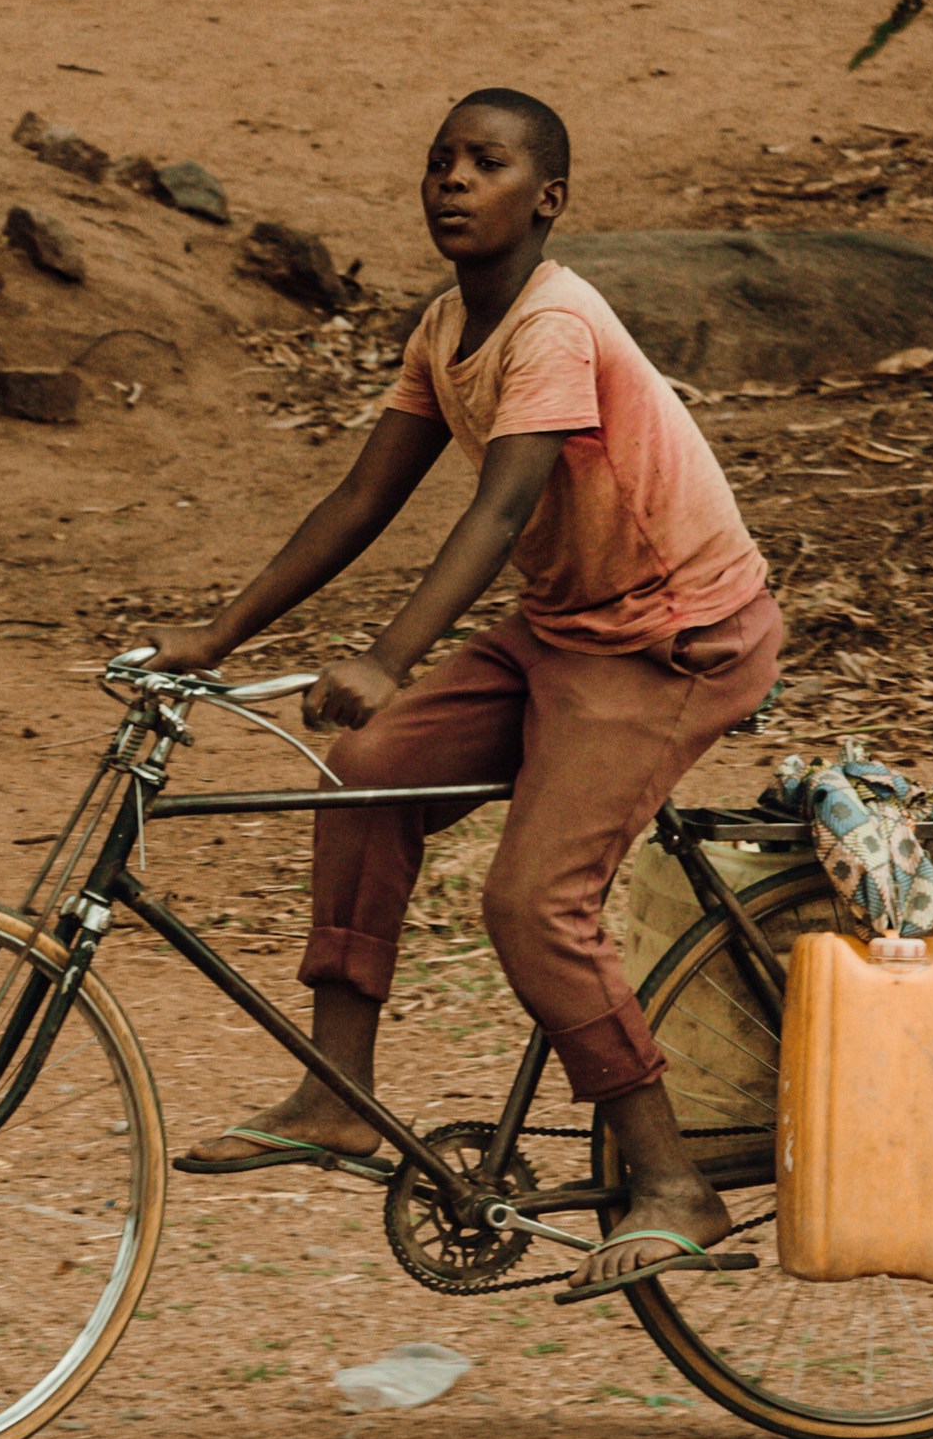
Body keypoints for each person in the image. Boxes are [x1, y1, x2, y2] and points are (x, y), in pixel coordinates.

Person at [141, 88, 785, 1299]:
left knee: (531, 903)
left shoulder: (552, 325)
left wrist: (385, 657)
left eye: (483, 164)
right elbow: (358, 497)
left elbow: (495, 509)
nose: (450, 181)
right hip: (563, 629)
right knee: (365, 770)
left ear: (544, 200)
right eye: (439, 161)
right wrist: (214, 635)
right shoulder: (446, 326)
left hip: (672, 640)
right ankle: (337, 1098)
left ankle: (673, 1183)